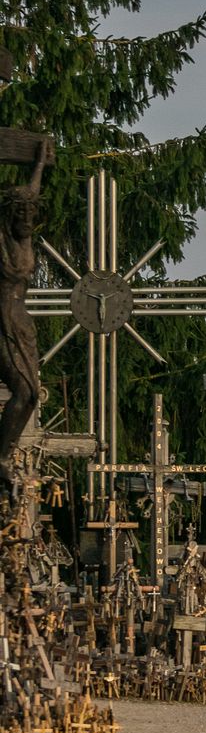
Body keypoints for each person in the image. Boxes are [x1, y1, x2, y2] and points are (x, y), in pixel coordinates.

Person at [0, 139, 48, 483]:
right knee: (25, 391)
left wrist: (39, 164)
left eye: (31, 215)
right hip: (2, 320)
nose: (28, 220)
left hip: (21, 320)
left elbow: (31, 191)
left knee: (30, 393)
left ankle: (3, 453)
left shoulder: (25, 240)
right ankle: (1, 457)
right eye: (22, 215)